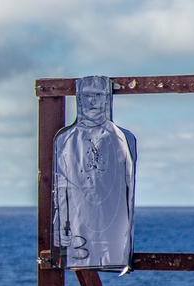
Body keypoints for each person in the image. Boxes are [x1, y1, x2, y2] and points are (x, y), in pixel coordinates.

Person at [52, 75, 137, 271]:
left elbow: (129, 190)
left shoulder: (121, 138)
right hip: (77, 238)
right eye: (87, 95)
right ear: (79, 98)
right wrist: (59, 228)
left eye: (98, 95)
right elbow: (60, 188)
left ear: (107, 98)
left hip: (114, 238)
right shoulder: (65, 139)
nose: (92, 101)